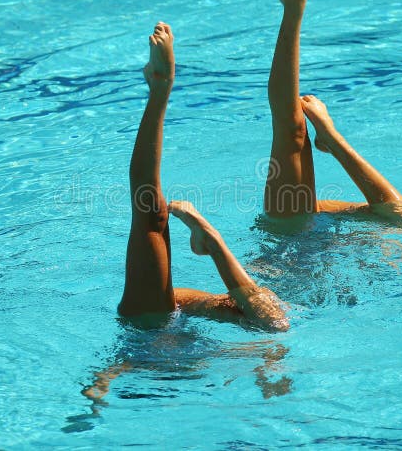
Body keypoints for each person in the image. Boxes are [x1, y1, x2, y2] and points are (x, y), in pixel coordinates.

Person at [119, 21, 288, 332]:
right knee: (151, 214)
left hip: (151, 335)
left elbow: (274, 325)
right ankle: (160, 89)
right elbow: (275, 322)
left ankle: (211, 241)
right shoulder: (182, 307)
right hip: (150, 330)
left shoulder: (188, 308)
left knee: (151, 214)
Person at [264, 0, 402, 228]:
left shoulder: (344, 217)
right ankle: (293, 9)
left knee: (292, 130)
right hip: (298, 234)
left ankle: (293, 10)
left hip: (288, 235)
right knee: (292, 129)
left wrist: (331, 136)